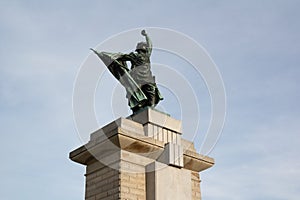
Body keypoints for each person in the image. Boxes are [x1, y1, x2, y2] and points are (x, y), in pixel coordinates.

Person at [91, 30, 163, 113]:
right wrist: (106, 55)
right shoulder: (134, 55)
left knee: (151, 93)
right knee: (135, 93)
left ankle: (149, 108)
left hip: (147, 78)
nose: (143, 50)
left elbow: (150, 45)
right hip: (137, 78)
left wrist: (146, 36)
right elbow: (121, 56)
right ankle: (138, 108)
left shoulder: (146, 55)